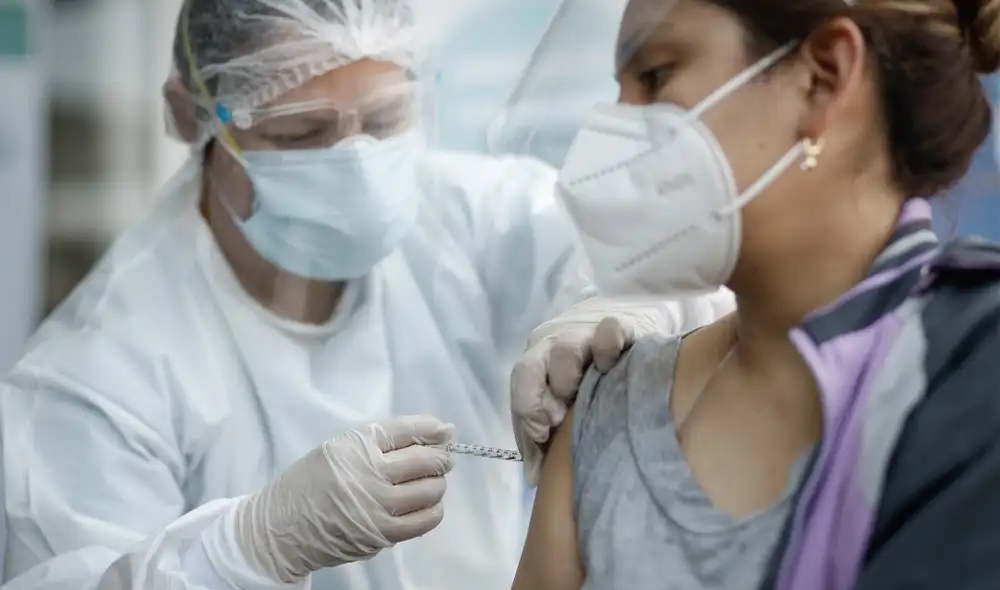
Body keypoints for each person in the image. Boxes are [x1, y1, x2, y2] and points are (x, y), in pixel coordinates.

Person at [0, 0, 734, 589]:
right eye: (299, 133)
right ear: (193, 118)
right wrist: (240, 552)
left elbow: (675, 267)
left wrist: (629, 310)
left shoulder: (475, 218)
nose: (353, 164)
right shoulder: (92, 376)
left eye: (384, 121)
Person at [511, 0, 1000, 588]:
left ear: (823, 78)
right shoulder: (608, 407)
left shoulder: (971, 361)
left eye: (656, 76)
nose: (616, 135)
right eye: (619, 92)